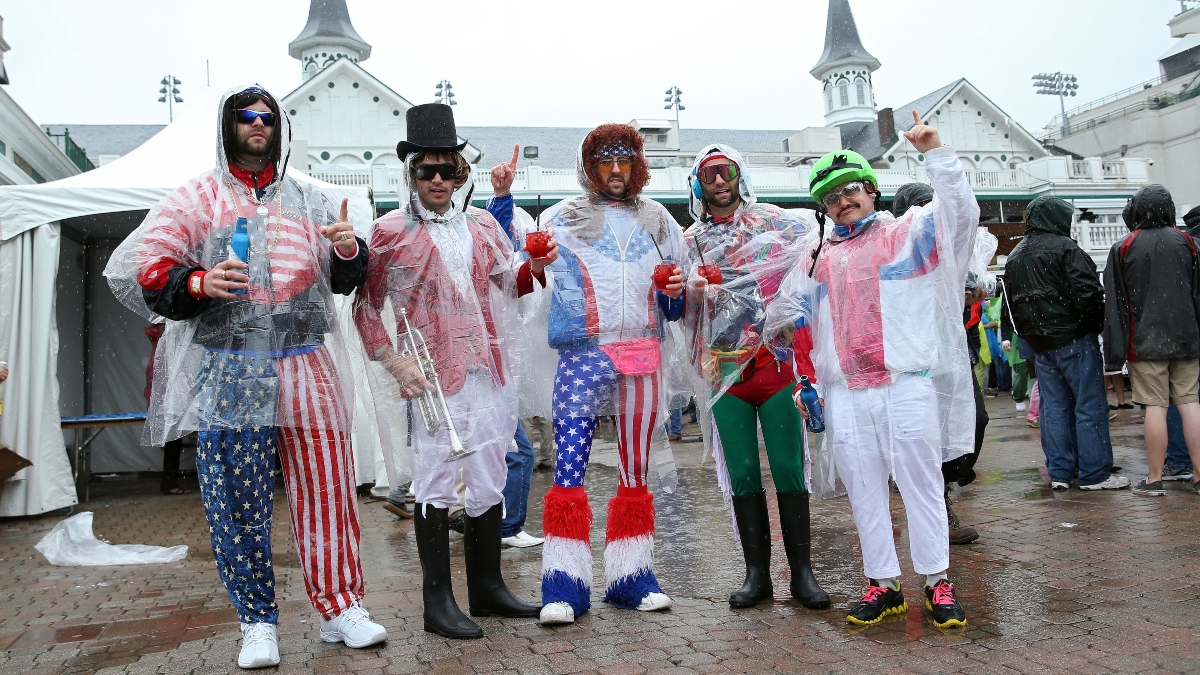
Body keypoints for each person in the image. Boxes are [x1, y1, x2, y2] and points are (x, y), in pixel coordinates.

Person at [104, 85, 386, 669]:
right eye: (246, 116)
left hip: (307, 357)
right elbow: (144, 266)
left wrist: (349, 247)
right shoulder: (196, 197)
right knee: (237, 494)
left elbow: (343, 277)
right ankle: (256, 620)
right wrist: (200, 283)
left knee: (328, 485)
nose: (258, 124)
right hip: (230, 364)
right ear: (228, 126)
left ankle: (340, 606)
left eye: (268, 117)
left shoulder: (310, 199)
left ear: (280, 129)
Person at [767, 113, 976, 629]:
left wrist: (937, 154)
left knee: (921, 483)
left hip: (906, 384)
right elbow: (798, 325)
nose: (843, 200)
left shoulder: (911, 232)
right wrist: (805, 382)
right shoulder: (816, 258)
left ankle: (937, 581)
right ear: (824, 208)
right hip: (846, 394)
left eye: (852, 188)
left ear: (872, 190)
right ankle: (883, 584)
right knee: (864, 488)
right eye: (832, 196)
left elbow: (962, 216)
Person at [353, 104, 551, 639]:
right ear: (411, 174)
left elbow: (509, 281)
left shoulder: (483, 224)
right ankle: (436, 602)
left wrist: (534, 264)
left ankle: (487, 589)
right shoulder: (387, 231)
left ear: (460, 173)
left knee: (489, 477)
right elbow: (365, 308)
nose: (437, 179)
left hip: (485, 371)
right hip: (429, 379)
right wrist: (394, 362)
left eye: (447, 169)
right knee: (436, 484)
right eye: (426, 170)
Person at [535, 123, 689, 626]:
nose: (617, 170)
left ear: (638, 164)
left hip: (642, 352)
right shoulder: (561, 217)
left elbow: (677, 303)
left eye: (626, 159)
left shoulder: (660, 220)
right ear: (589, 165)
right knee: (568, 466)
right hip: (584, 353)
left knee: (635, 470)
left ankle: (631, 578)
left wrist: (671, 290)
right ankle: (563, 584)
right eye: (605, 160)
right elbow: (528, 278)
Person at [681, 144, 829, 610]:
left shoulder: (777, 223)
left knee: (788, 467)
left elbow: (811, 267)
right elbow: (676, 310)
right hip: (724, 372)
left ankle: (802, 574)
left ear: (740, 175)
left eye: (727, 172)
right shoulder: (689, 242)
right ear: (697, 185)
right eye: (710, 176)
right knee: (742, 473)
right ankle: (756, 574)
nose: (720, 182)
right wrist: (689, 291)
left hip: (775, 365)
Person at [1005, 196, 1129, 492]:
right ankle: (1095, 473)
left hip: (1040, 343)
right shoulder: (1065, 248)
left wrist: (1030, 336)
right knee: (1089, 405)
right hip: (1073, 338)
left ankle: (1060, 471)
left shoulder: (1016, 255)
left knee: (1055, 407)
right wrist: (1091, 326)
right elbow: (1088, 293)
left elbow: (1012, 305)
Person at [894, 182, 983, 547]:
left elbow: (972, 282)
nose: (925, 215)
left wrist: (969, 289)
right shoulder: (894, 248)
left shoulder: (949, 246)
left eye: (929, 206)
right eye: (917, 208)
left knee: (975, 418)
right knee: (924, 438)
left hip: (949, 356)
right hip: (910, 361)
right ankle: (938, 514)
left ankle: (956, 470)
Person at [1102, 184, 1200, 496]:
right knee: (1190, 404)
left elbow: (1115, 305)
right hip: (1187, 338)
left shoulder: (1124, 246)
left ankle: (1155, 478)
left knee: (1155, 408)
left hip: (1145, 342)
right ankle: (1199, 475)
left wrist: (1113, 356)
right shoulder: (1187, 241)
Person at [485, 145, 549, 548]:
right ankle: (503, 529)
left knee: (507, 453)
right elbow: (493, 236)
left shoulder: (512, 274)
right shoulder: (483, 238)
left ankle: (495, 527)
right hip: (482, 360)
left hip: (500, 356)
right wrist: (503, 195)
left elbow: (526, 280)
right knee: (517, 453)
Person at [144, 323, 190, 496]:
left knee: (172, 436)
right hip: (172, 395)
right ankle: (169, 481)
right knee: (172, 437)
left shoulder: (162, 341)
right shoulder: (169, 342)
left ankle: (170, 480)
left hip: (171, 394)